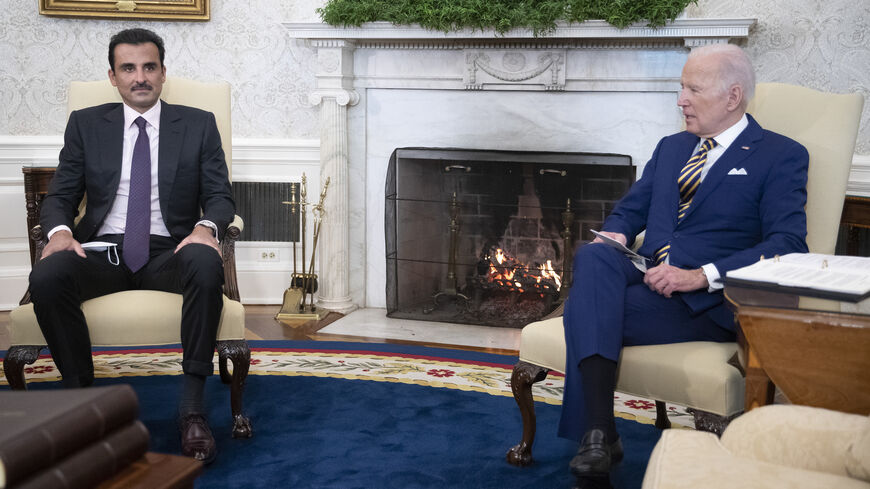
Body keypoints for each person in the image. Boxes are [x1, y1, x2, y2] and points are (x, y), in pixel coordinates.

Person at [561, 43, 809, 483]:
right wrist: (617, 230)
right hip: (647, 271)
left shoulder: (780, 155)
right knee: (595, 253)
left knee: (587, 311)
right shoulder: (673, 147)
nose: (681, 99)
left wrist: (700, 276)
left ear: (733, 97)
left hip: (705, 301)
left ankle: (598, 435)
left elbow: (788, 245)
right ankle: (601, 429)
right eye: (681, 87)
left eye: (693, 89)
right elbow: (630, 209)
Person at [29, 28, 234, 464]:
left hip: (170, 251)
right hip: (101, 252)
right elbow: (62, 195)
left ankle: (192, 410)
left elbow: (219, 195)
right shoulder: (87, 124)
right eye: (129, 68)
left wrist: (204, 228)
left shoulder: (198, 124)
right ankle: (80, 405)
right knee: (47, 274)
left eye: (149, 67)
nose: (139, 77)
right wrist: (61, 233)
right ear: (113, 76)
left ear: (162, 73)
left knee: (204, 261)